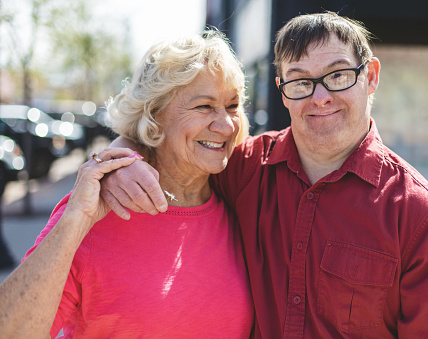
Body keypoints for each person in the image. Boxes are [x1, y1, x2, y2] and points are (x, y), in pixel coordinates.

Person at [102, 12, 428, 338]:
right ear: (282, 92)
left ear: (371, 76)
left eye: (339, 75)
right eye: (300, 81)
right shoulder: (244, 168)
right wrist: (122, 159)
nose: (320, 97)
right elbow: (167, 143)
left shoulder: (422, 219)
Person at [0, 30, 253, 338]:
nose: (226, 125)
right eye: (204, 106)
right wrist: (76, 220)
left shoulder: (244, 198)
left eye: (232, 105)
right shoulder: (99, 205)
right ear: (153, 115)